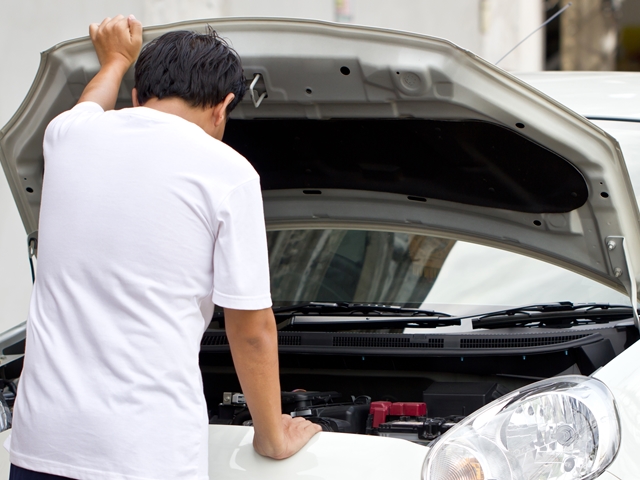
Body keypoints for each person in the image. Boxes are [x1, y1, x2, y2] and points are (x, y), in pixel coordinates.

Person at [8, 14, 321, 480]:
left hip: (40, 447)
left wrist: (115, 59)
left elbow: (89, 104)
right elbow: (250, 326)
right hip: (146, 455)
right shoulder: (229, 173)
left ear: (135, 97)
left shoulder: (66, 136)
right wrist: (270, 435)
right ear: (224, 107)